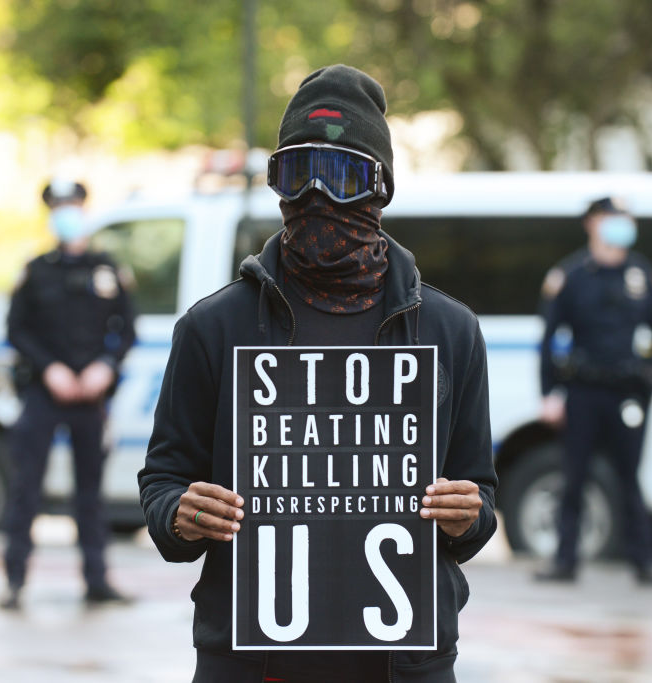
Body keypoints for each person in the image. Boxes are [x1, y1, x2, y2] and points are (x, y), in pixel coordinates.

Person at [138, 65, 498, 682]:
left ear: (380, 187)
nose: (316, 196)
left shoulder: (450, 332)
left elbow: (478, 500)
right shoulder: (212, 327)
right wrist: (179, 512)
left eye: (343, 175)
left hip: (402, 662)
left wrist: (470, 515)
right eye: (296, 173)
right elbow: (164, 483)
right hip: (252, 661)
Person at [0, 178, 137, 610]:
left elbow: (128, 330)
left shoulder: (108, 269)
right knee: (26, 487)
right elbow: (16, 329)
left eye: (72, 204)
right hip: (45, 392)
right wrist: (50, 368)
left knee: (91, 493)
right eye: (59, 206)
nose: (67, 212)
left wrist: (105, 367)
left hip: (91, 395)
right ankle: (15, 580)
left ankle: (97, 580)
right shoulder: (36, 270)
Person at [535, 197, 652, 586]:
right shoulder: (571, 274)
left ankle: (645, 561)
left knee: (629, 476)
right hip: (583, 391)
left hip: (628, 393)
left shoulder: (642, 275)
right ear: (591, 223)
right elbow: (548, 337)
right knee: (573, 476)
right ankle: (564, 560)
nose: (619, 225)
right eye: (611, 218)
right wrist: (549, 393)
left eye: (624, 218)